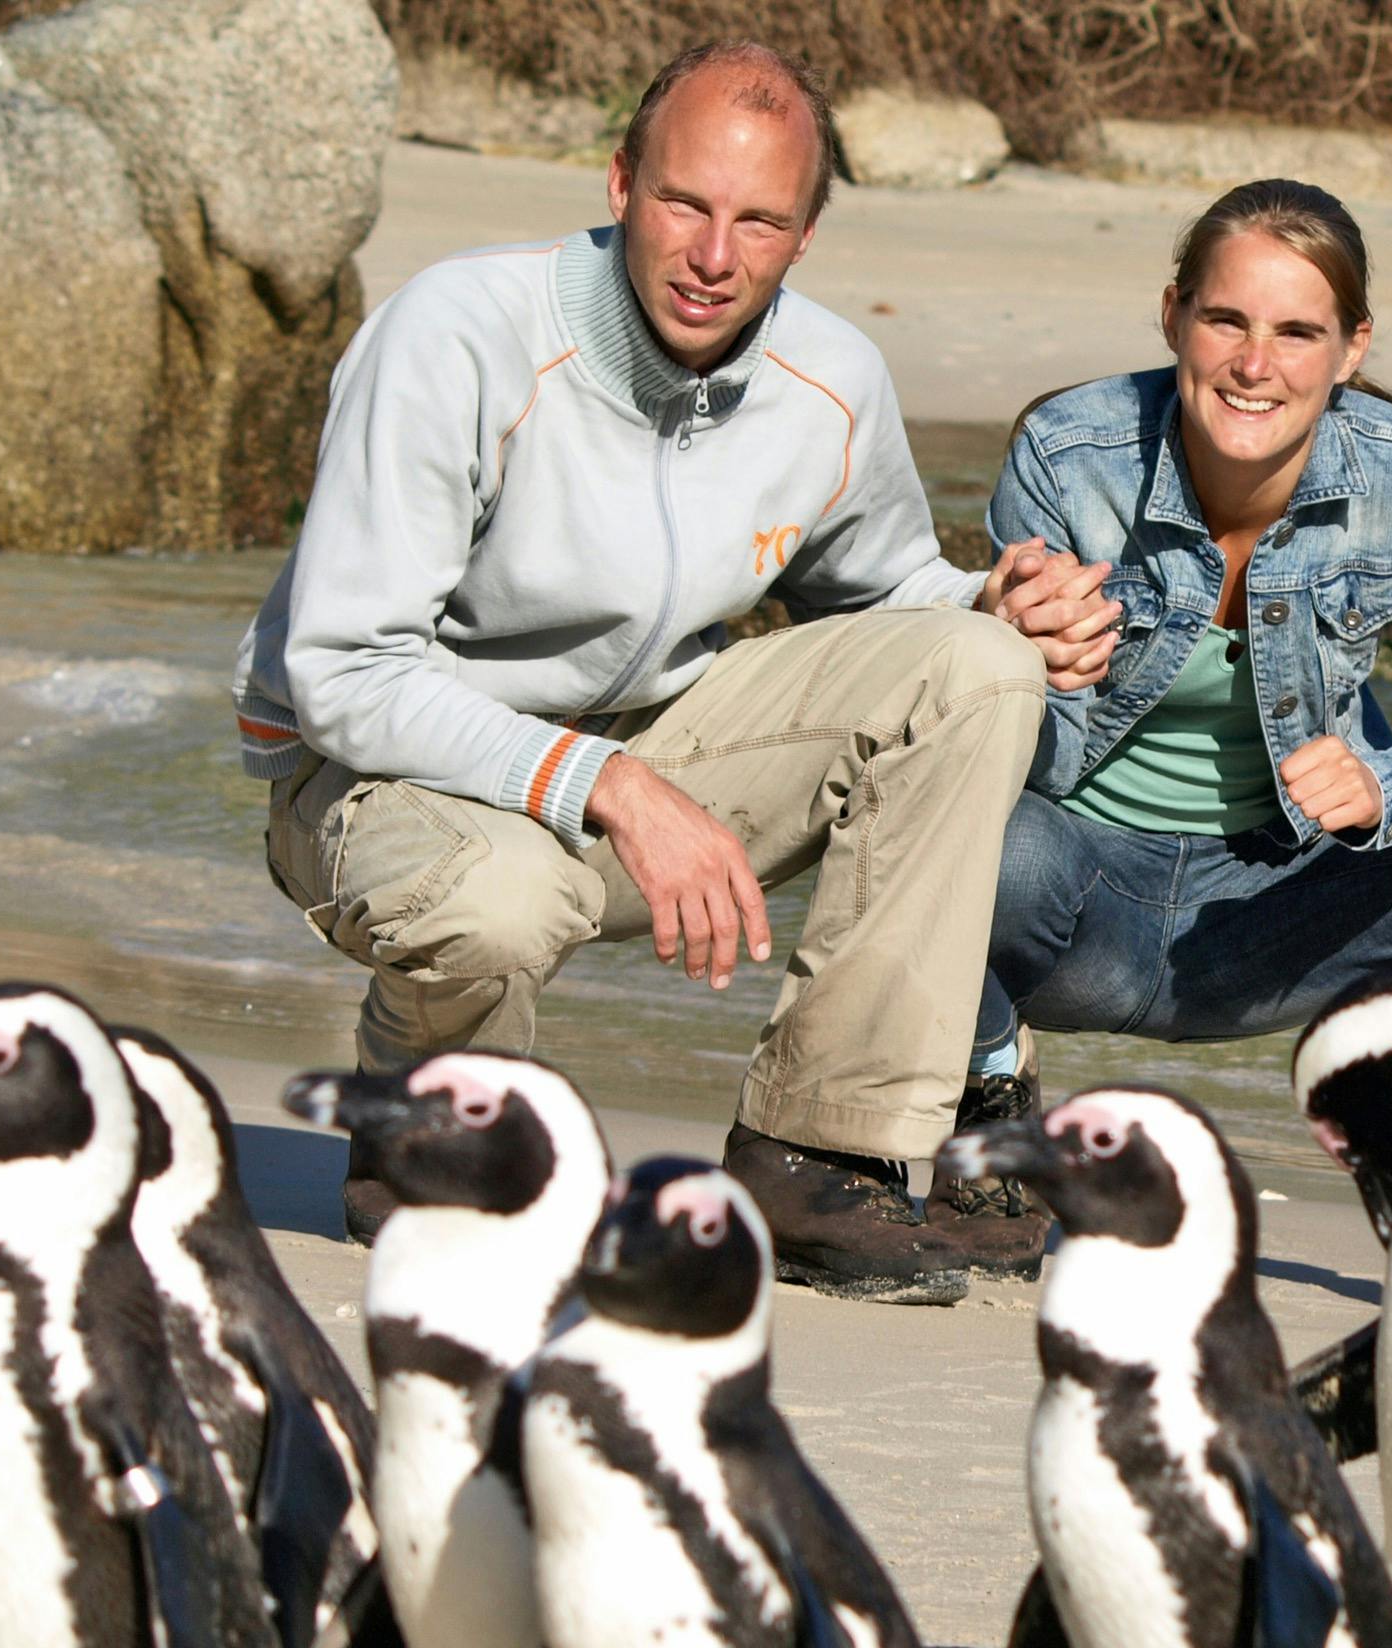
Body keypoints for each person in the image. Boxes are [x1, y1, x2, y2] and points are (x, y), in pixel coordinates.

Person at [235, 41, 1119, 1304]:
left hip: (638, 745)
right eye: (684, 203)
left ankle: (819, 1155)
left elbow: (881, 595)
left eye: (759, 220)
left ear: (804, 237)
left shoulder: (832, 381)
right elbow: (342, 671)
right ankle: (426, 1110)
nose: (714, 255)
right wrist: (611, 787)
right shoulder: (455, 336)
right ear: (618, 185)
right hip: (375, 773)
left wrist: (999, 603)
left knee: (975, 671)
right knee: (496, 902)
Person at [946, 178, 1392, 1211]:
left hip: (1288, 907)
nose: (1256, 365)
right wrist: (1004, 643)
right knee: (965, 824)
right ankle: (992, 1083)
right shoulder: (1067, 453)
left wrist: (1384, 783)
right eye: (1227, 320)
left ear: (1352, 348)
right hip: (1080, 906)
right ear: (1174, 314)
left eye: (1298, 332)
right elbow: (974, 731)